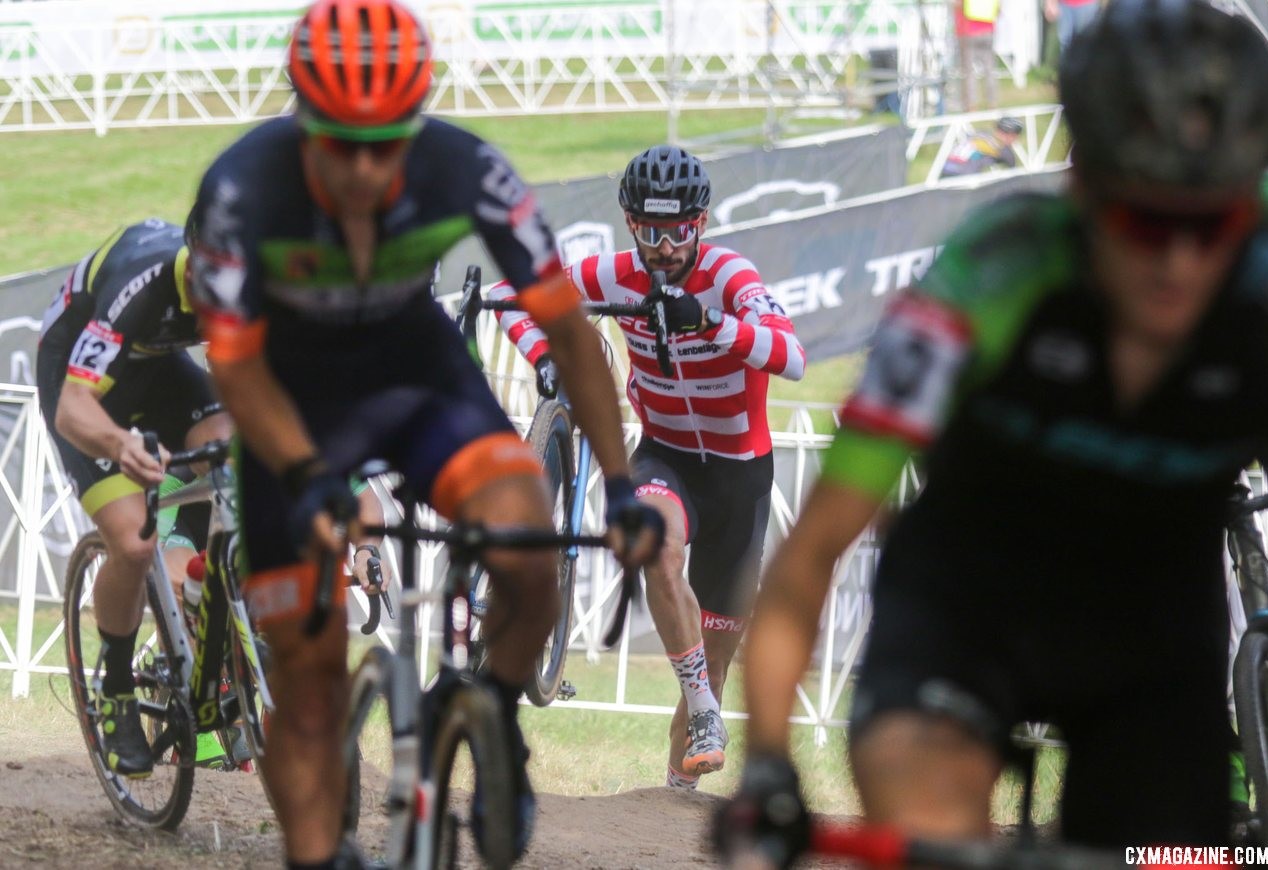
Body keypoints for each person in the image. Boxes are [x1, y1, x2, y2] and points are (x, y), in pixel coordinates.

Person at [716, 0, 1268, 864]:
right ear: (1084, 188)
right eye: (1143, 224)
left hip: (1152, 632)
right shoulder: (990, 273)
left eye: (1211, 229)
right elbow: (814, 548)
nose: (1178, 263)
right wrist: (764, 764)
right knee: (932, 822)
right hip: (962, 606)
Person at [185, 1, 662, 867]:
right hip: (290, 408)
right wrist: (302, 470)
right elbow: (237, 368)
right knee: (307, 674)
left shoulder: (465, 167)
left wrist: (623, 485)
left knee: (525, 548)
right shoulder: (238, 190)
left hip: (416, 384)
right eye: (341, 143)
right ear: (300, 116)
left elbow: (569, 332)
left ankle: (492, 709)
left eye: (388, 142)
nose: (366, 169)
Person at [490, 144, 806, 790]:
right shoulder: (615, 276)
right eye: (650, 233)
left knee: (712, 667)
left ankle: (673, 801)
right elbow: (508, 294)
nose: (664, 248)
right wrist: (548, 359)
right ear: (631, 224)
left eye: (679, 232)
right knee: (655, 545)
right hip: (665, 456)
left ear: (703, 222)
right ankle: (708, 716)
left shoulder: (727, 276)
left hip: (741, 478)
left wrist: (713, 324)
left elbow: (792, 355)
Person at [37, 218, 233, 777]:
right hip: (78, 383)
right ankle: (116, 689)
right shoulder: (141, 282)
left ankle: (207, 593)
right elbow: (75, 408)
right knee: (133, 542)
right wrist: (122, 444)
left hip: (159, 366)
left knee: (234, 460)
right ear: (191, 265)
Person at [940, 116, 1023, 178]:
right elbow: (1015, 173)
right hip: (963, 178)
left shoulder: (980, 134)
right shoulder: (1001, 148)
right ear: (1011, 135)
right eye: (1015, 136)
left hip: (944, 171)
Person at [954, 0, 999, 112]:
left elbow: (957, 5)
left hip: (968, 30)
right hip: (988, 29)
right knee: (989, 69)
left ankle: (971, 104)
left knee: (969, 71)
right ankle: (992, 102)